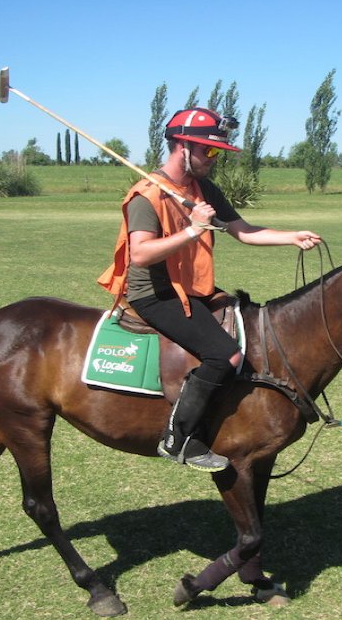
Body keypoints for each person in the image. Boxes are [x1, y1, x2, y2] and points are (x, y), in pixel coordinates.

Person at [98, 108, 321, 472]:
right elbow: (139, 253)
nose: (214, 159)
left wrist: (290, 237)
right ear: (182, 146)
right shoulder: (147, 195)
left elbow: (242, 230)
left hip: (192, 287)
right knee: (226, 355)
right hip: (154, 292)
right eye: (209, 151)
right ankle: (180, 437)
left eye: (217, 152)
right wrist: (192, 229)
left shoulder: (202, 190)